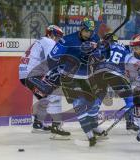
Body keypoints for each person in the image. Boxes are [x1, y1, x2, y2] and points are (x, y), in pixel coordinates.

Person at [48, 17, 104, 146]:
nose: (89, 34)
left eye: (91, 31)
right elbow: (51, 58)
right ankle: (90, 135)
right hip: (69, 77)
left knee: (92, 102)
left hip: (85, 77)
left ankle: (93, 127)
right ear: (81, 29)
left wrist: (96, 50)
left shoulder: (95, 39)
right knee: (79, 106)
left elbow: (100, 56)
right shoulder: (67, 40)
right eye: (86, 31)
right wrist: (55, 71)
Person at [19, 25, 71, 139]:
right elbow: (54, 60)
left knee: (45, 98)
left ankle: (38, 125)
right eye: (57, 37)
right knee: (54, 95)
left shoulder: (40, 42)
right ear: (51, 34)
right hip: (32, 76)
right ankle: (57, 128)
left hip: (25, 76)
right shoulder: (49, 42)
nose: (58, 40)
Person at [89, 32, 139, 132]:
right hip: (115, 74)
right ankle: (130, 122)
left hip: (99, 73)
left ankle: (91, 123)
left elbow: (92, 60)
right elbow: (130, 64)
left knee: (98, 97)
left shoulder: (100, 46)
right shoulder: (124, 48)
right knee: (129, 99)